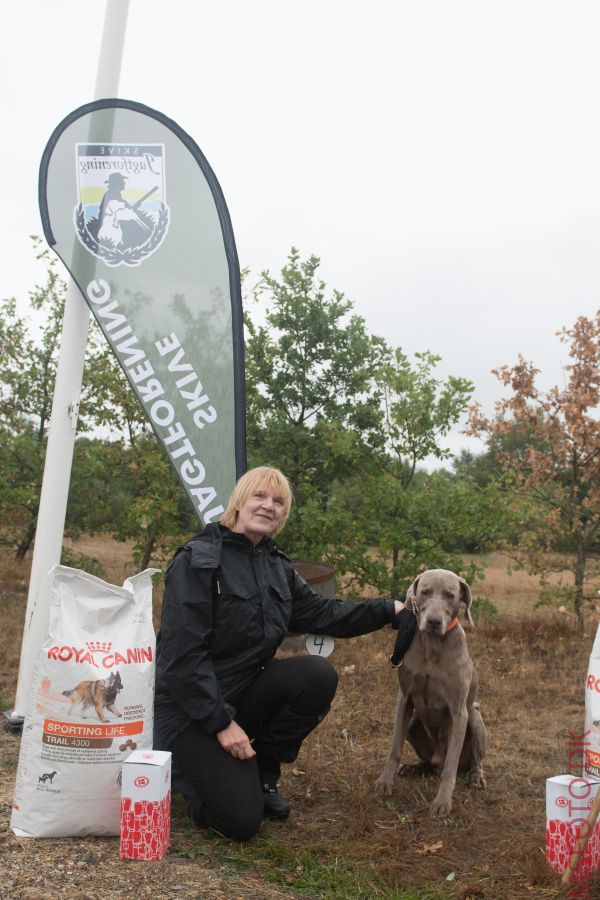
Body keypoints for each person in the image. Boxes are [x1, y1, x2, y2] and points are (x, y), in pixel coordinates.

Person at [154, 465, 410, 841]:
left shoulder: (276, 566)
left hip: (240, 695)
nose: (268, 506)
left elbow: (323, 613)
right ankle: (187, 778)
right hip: (188, 713)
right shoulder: (198, 561)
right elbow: (181, 658)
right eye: (259, 496)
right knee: (241, 822)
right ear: (239, 502)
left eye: (278, 502)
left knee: (316, 675)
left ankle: (263, 773)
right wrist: (222, 724)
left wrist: (390, 610)